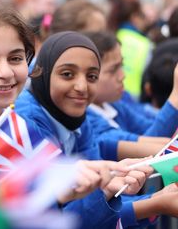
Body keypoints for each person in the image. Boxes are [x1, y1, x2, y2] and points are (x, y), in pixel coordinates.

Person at [15, 31, 178, 228]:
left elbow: (95, 197)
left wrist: (154, 198)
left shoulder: (80, 116)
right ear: (43, 72)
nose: (82, 86)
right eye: (67, 74)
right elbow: (59, 216)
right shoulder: (26, 123)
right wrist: (154, 203)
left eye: (92, 76)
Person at [84, 31, 178, 160]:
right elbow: (148, 145)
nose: (122, 75)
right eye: (113, 70)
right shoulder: (87, 119)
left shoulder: (115, 105)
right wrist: (176, 96)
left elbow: (149, 130)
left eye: (121, 65)